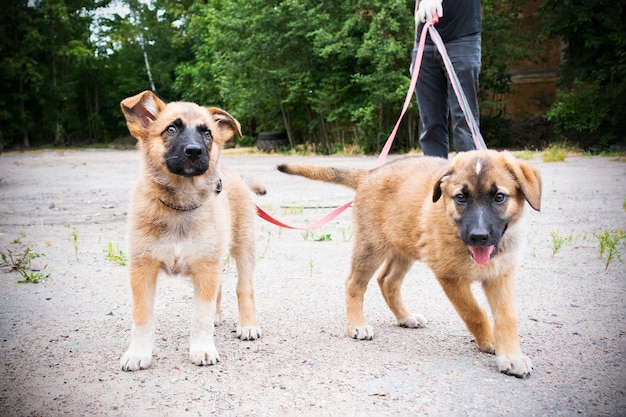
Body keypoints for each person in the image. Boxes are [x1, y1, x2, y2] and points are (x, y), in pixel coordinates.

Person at [413, 0, 483, 158]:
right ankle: (434, 180)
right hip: (426, 41)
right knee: (430, 124)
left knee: (464, 122)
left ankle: (469, 179)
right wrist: (416, 48)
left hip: (462, 38)